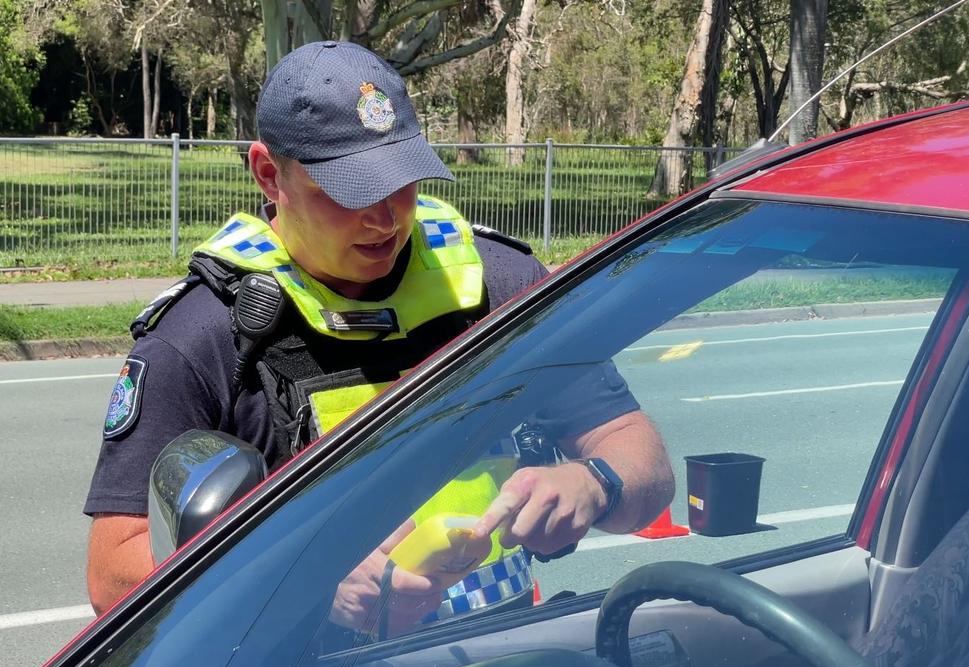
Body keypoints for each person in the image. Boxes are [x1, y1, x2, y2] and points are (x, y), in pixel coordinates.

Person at [83, 41, 675, 626]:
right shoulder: (200, 337)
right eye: (349, 190)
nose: (386, 217)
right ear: (269, 174)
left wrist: (593, 481)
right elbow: (114, 577)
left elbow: (643, 462)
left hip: (507, 660)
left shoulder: (504, 286)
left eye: (402, 180)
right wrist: (300, 578)